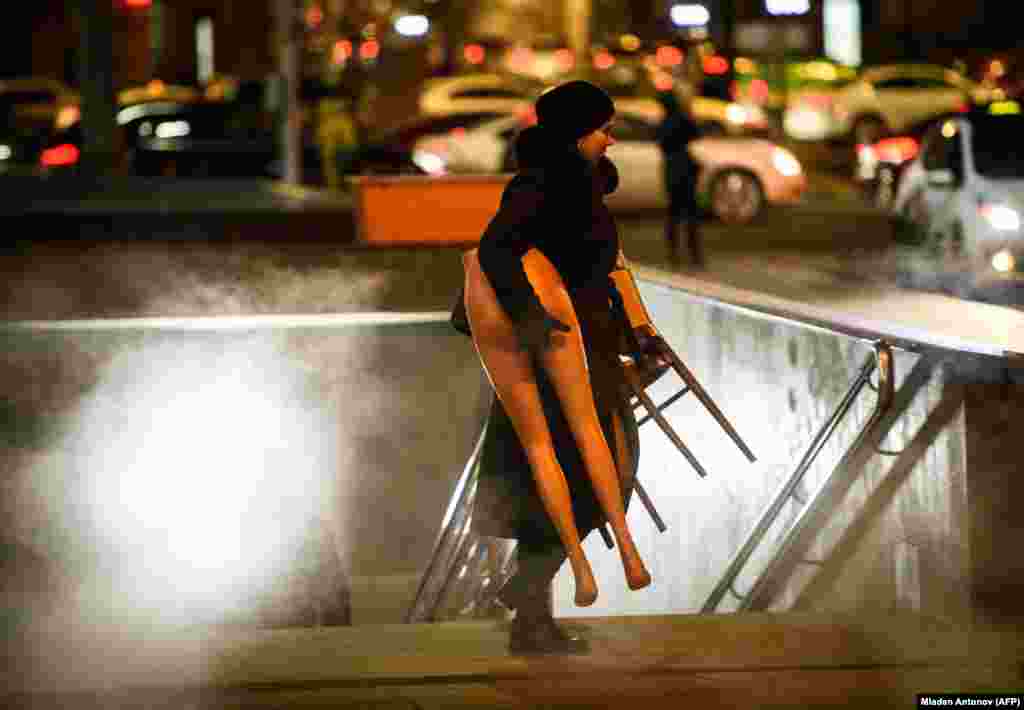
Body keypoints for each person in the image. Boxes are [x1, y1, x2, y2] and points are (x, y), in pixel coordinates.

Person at [454, 80, 668, 654]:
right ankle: (529, 612)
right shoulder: (540, 186)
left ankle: (527, 603)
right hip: (551, 352)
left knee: (599, 475)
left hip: (586, 344)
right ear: (577, 135)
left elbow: (603, 272)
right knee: (567, 480)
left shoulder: (579, 185)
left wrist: (637, 335)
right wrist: (528, 317)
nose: (612, 136)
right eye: (603, 127)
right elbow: (498, 250)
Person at [653, 79, 705, 268]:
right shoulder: (683, 119)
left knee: (673, 215)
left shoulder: (663, 123)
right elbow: (696, 133)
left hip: (670, 169)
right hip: (686, 168)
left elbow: (658, 141)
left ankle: (673, 255)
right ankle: (694, 255)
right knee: (691, 215)